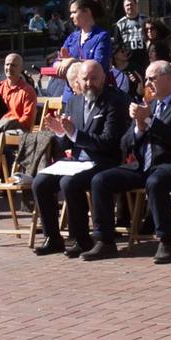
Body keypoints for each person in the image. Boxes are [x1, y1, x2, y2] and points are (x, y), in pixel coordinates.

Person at [88, 61, 171, 262]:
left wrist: (150, 121)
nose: (148, 83)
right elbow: (124, 144)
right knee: (100, 180)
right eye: (147, 78)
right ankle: (104, 241)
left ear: (169, 79)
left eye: (152, 78)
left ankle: (165, 241)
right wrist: (139, 128)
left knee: (155, 181)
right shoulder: (149, 106)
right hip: (142, 166)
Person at [32, 61, 131, 258]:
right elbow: (68, 146)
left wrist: (75, 134)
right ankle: (53, 237)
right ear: (78, 81)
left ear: (103, 78)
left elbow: (108, 142)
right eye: (85, 79)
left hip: (103, 160)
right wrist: (61, 134)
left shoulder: (114, 102)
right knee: (40, 182)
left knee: (70, 183)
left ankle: (81, 239)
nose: (89, 83)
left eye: (94, 78)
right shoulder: (74, 102)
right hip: (78, 161)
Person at [0, 54, 37, 130]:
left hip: (18, 131)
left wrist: (10, 125)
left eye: (13, 65)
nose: (9, 68)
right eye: (7, 64)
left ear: (20, 68)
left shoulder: (28, 91)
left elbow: (28, 119)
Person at [116, 0, 149, 74]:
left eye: (131, 4)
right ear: (124, 8)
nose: (129, 7)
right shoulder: (120, 24)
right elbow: (117, 44)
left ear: (136, 5)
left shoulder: (145, 20)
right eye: (127, 5)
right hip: (129, 61)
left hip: (145, 59)